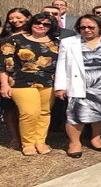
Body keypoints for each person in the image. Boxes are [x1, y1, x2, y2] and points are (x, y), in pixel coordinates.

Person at [54, 15, 101, 158]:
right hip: (79, 84)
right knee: (75, 115)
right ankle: (74, 143)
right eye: (83, 27)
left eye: (91, 27)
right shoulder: (68, 42)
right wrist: (60, 86)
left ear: (99, 27)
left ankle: (96, 138)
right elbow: (61, 65)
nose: (87, 30)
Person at [0, 13, 59, 156]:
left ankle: (40, 141)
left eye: (46, 24)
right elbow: (4, 65)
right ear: (31, 23)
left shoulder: (56, 42)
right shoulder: (14, 40)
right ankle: (28, 143)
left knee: (44, 112)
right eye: (38, 23)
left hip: (48, 82)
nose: (41, 26)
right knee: (29, 112)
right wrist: (4, 84)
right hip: (21, 82)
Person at [0, 7, 32, 149]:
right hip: (6, 76)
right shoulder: (5, 35)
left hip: (27, 77)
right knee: (10, 108)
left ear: (28, 17)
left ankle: (28, 137)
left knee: (27, 109)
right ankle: (14, 137)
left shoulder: (35, 34)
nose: (15, 21)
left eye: (18, 17)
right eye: (11, 18)